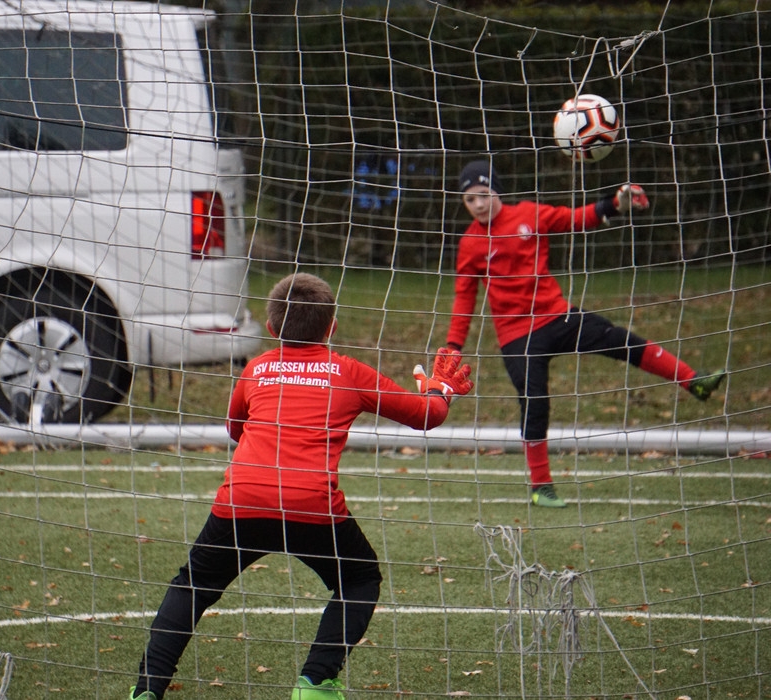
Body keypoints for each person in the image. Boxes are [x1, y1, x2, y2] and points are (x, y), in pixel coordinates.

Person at [129, 273, 474, 700]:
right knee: (360, 579)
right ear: (332, 326)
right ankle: (315, 683)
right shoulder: (348, 371)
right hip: (311, 504)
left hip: (242, 499)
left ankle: (146, 690)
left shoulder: (256, 368)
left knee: (192, 586)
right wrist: (440, 391)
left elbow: (236, 429)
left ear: (271, 328)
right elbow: (427, 416)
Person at [444, 159, 725, 509]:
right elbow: (464, 297)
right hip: (516, 335)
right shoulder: (470, 244)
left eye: (484, 195)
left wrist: (615, 204)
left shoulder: (529, 214)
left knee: (619, 339)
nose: (478, 204)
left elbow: (575, 218)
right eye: (470, 199)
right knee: (534, 400)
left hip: (556, 316)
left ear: (497, 191)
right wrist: (453, 345)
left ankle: (693, 381)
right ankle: (541, 487)